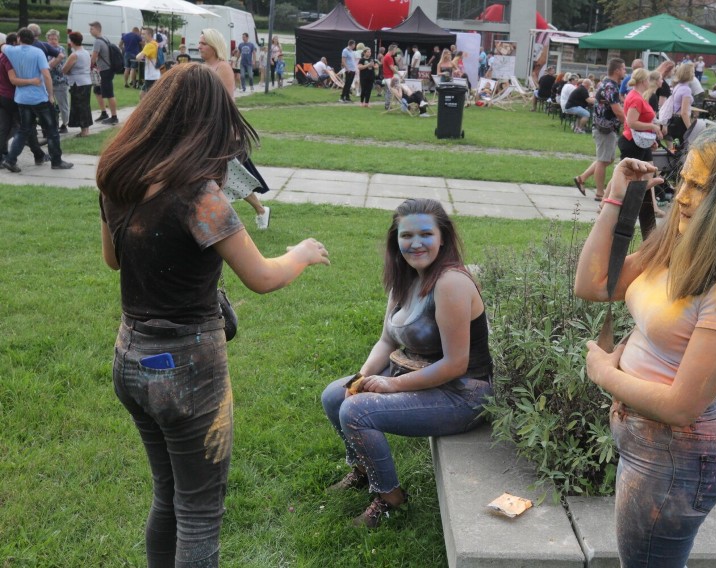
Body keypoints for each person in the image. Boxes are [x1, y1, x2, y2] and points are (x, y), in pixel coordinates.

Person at [97, 62, 330, 567]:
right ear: (207, 121)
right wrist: (303, 252)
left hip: (130, 359)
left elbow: (113, 259)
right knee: (200, 514)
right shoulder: (200, 195)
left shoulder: (119, 179)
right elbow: (263, 277)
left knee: (168, 496)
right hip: (187, 370)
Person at [575, 119, 716, 568]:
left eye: (700, 187)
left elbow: (679, 407)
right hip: (652, 447)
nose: (683, 197)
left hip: (679, 459)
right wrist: (615, 195)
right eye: (683, 180)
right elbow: (593, 283)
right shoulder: (680, 248)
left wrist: (604, 373)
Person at [321, 198, 492, 529]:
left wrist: (392, 384)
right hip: (418, 373)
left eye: (425, 234)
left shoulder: (450, 283)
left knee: (356, 412)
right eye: (406, 235)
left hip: (463, 394)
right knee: (335, 396)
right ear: (395, 239)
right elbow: (387, 340)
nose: (415, 244)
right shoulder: (406, 276)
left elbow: (457, 364)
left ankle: (390, 497)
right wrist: (361, 377)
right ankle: (363, 470)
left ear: (443, 237)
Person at [200, 28, 270, 230]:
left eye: (203, 43)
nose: (199, 46)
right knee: (214, 175)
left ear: (213, 46)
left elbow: (226, 103)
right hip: (205, 130)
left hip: (220, 132)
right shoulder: (203, 67)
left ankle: (260, 210)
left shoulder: (223, 68)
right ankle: (222, 215)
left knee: (229, 173)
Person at [0, 27, 72, 172]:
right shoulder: (38, 52)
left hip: (21, 98)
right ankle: (56, 161)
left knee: (23, 130)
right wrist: (50, 95)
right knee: (52, 130)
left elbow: (3, 45)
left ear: (19, 39)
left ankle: (11, 159)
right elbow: (46, 75)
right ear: (33, 39)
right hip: (39, 97)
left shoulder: (11, 51)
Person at [617, 68, 665, 235]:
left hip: (639, 142)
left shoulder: (637, 96)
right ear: (644, 81)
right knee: (626, 174)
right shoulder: (636, 98)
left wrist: (650, 139)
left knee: (647, 174)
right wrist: (652, 127)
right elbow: (631, 122)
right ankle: (609, 201)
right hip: (632, 142)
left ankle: (647, 206)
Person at [573, 58, 626, 201]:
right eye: (623, 69)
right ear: (617, 71)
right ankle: (599, 193)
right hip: (605, 129)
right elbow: (618, 111)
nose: (625, 71)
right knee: (603, 161)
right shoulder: (611, 87)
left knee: (607, 159)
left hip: (605, 128)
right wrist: (628, 124)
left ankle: (582, 178)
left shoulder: (608, 85)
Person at [0, 31, 47, 166]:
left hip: (3, 96)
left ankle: (3, 155)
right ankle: (37, 154)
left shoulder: (2, 56)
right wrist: (33, 81)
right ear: (14, 43)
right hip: (13, 97)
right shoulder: (9, 58)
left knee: (4, 128)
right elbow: (13, 80)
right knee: (27, 128)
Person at [61, 31, 93, 138]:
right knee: (85, 106)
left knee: (79, 107)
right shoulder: (86, 52)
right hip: (87, 81)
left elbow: (64, 69)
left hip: (77, 83)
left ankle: (84, 131)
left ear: (72, 41)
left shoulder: (74, 55)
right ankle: (86, 129)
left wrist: (69, 71)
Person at [90, 21, 118, 125]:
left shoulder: (98, 41)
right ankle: (104, 113)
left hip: (105, 70)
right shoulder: (105, 38)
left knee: (109, 94)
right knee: (97, 91)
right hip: (105, 69)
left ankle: (114, 117)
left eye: (92, 29)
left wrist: (89, 65)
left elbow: (93, 58)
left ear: (97, 29)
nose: (90, 31)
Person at [45, 29, 69, 133]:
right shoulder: (44, 49)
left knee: (63, 104)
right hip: (48, 82)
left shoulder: (61, 49)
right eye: (51, 39)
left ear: (58, 39)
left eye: (55, 39)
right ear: (47, 40)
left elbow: (50, 65)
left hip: (60, 81)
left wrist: (48, 65)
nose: (53, 41)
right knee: (48, 105)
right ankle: (51, 124)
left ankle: (64, 124)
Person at [668, 63, 695, 144]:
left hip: (674, 120)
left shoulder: (677, 86)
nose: (694, 74)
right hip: (681, 122)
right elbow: (684, 113)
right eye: (693, 72)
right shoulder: (686, 90)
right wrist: (690, 129)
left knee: (676, 147)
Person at [136, 27, 161, 99]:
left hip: (151, 76)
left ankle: (149, 110)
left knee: (147, 97)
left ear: (149, 35)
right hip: (155, 74)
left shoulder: (149, 45)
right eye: (141, 34)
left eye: (144, 34)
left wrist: (140, 54)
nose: (142, 36)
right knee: (143, 95)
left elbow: (138, 58)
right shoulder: (155, 44)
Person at [382, 44, 399, 110]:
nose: (395, 51)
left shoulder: (386, 56)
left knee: (388, 91)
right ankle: (387, 105)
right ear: (393, 50)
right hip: (388, 76)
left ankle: (387, 105)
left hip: (387, 76)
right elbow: (392, 68)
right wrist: (398, 73)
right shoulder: (389, 57)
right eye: (395, 50)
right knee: (390, 91)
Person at [340, 39, 357, 103]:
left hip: (353, 69)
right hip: (349, 70)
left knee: (349, 84)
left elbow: (353, 61)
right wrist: (347, 69)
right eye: (354, 44)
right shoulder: (345, 50)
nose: (354, 46)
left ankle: (347, 97)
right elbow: (343, 61)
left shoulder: (352, 51)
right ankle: (342, 97)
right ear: (352, 44)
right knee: (347, 84)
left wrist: (354, 69)